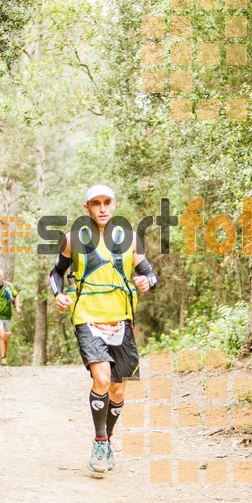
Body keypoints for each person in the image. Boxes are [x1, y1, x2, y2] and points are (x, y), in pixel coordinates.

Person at [49, 184, 159, 473]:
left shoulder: (132, 239)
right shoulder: (73, 240)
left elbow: (149, 272)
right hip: (87, 316)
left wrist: (148, 282)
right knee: (102, 377)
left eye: (106, 202)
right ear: (86, 208)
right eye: (95, 203)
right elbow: (56, 273)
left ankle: (107, 439)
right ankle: (100, 442)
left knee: (119, 389)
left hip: (121, 319)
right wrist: (58, 295)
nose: (102, 208)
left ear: (114, 204)